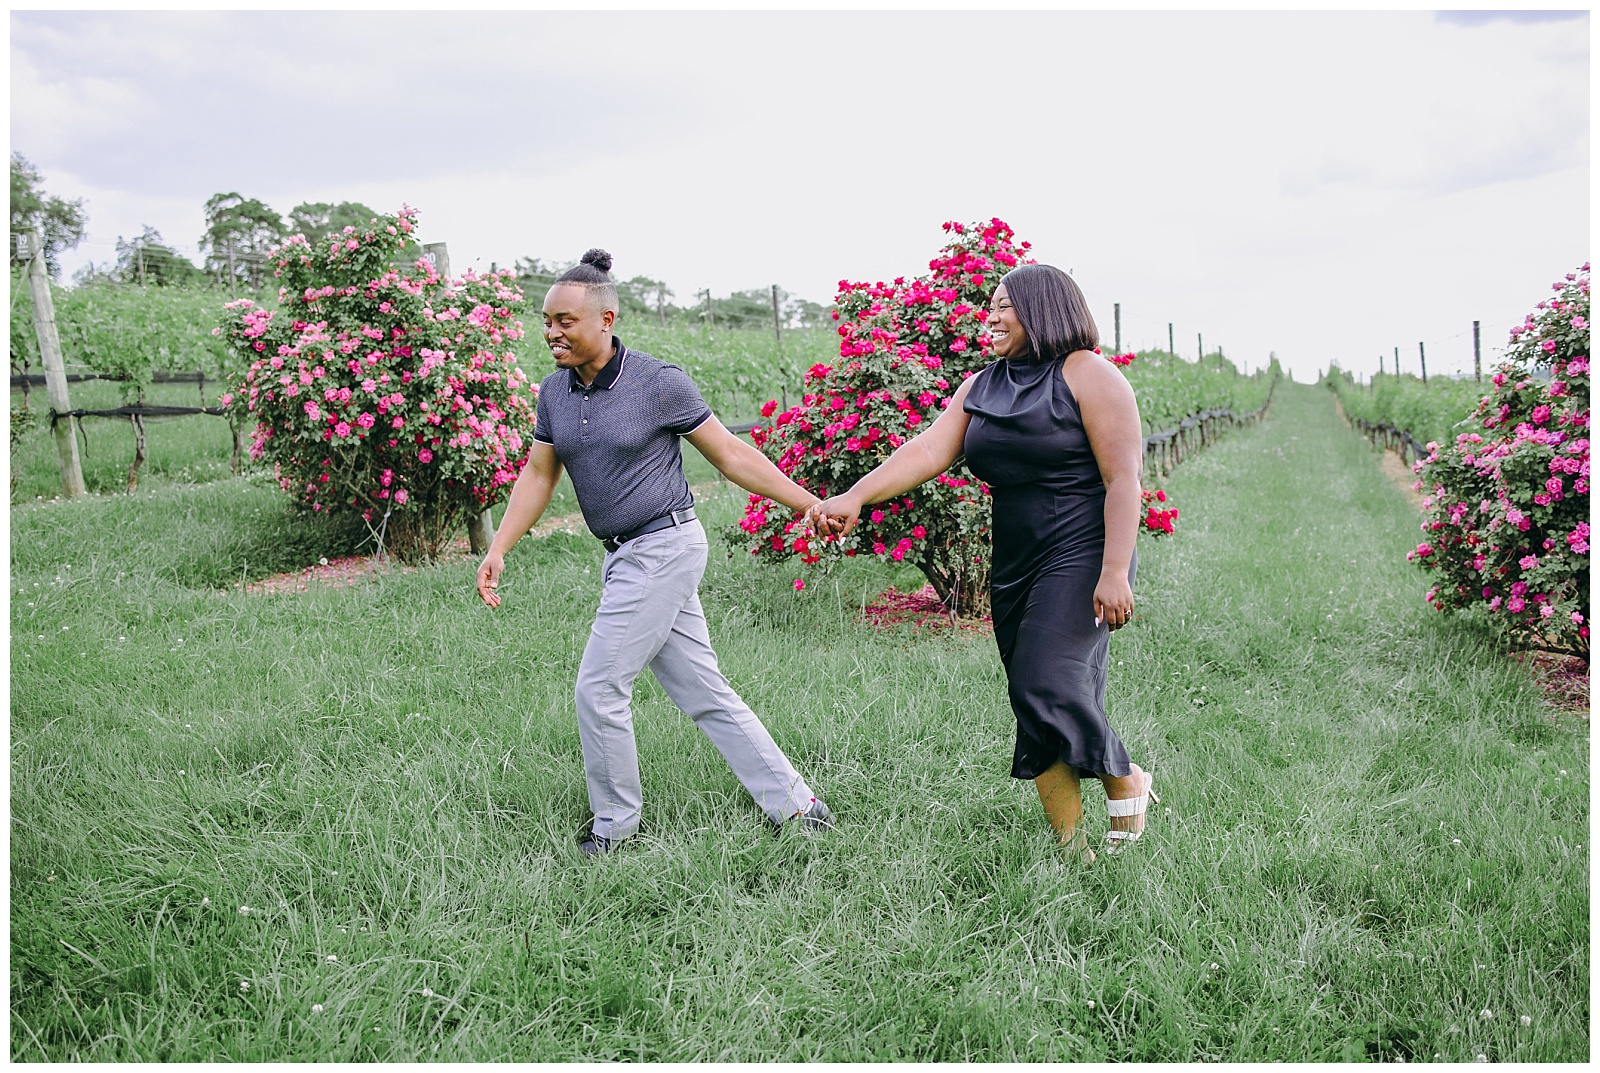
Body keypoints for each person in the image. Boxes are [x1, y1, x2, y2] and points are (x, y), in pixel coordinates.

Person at [476, 249, 831, 856]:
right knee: (703, 689)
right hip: (622, 554)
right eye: (546, 320)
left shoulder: (657, 382)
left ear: (606, 320)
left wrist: (808, 504)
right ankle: (799, 807)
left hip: (662, 546)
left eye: (565, 321)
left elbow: (731, 454)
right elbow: (539, 475)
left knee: (599, 687)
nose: (551, 332)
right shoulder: (554, 394)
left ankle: (613, 826)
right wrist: (500, 546)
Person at [808, 264, 1155, 861]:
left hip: (1080, 553)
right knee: (1029, 694)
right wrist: (857, 494)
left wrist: (1115, 569)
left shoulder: (1090, 376)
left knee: (1046, 681)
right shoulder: (981, 386)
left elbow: (1124, 479)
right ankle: (1072, 851)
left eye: (1003, 306)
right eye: (989, 306)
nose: (989, 317)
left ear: (1043, 310)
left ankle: (1125, 778)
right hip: (1016, 559)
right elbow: (926, 450)